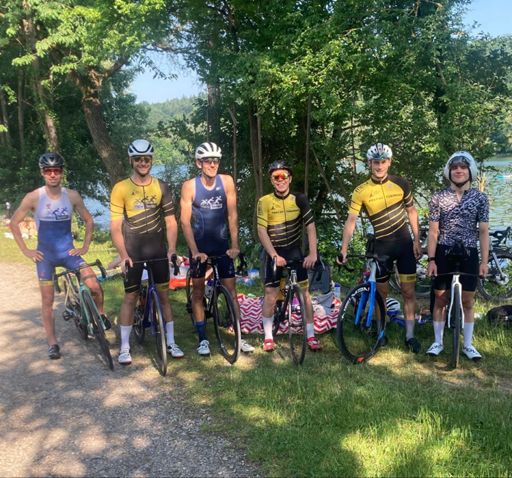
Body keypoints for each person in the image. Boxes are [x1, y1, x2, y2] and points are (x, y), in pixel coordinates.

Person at [9, 152, 109, 360]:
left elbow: (89, 220)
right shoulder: (34, 197)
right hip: (45, 257)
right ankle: (52, 343)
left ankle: (100, 315)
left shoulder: (72, 196)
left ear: (62, 172)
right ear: (42, 173)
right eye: (48, 171)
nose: (52, 174)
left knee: (93, 285)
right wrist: (26, 251)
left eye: (56, 170)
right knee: (48, 300)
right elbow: (14, 223)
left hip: (68, 253)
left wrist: (85, 246)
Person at [338, 143, 422, 353]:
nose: (379, 166)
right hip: (382, 246)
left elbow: (412, 212)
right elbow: (351, 221)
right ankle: (380, 331)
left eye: (383, 162)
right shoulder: (361, 191)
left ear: (389, 162)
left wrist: (417, 240)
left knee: (408, 291)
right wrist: (344, 248)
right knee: (381, 292)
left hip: (404, 245)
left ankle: (410, 336)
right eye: (376, 162)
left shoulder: (401, 184)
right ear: (369, 163)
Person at [110, 139, 183, 365]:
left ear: (151, 160)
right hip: (134, 250)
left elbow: (171, 221)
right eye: (138, 159)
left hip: (157, 249)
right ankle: (125, 347)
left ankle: (171, 342)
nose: (143, 163)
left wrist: (172, 249)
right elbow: (115, 227)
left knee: (164, 296)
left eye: (146, 159)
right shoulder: (121, 188)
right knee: (130, 297)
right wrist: (123, 255)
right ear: (131, 161)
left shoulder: (162, 186)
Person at [180, 141, 255, 356]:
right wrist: (195, 251)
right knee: (198, 292)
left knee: (231, 291)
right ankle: (202, 338)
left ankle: (239, 337)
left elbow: (232, 215)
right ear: (199, 163)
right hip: (200, 247)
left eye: (215, 161)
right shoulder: (189, 186)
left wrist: (235, 245)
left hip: (222, 246)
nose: (212, 165)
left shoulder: (227, 181)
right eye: (208, 161)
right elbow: (185, 222)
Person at [426, 151, 489, 360]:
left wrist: (484, 262)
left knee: (468, 301)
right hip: (444, 251)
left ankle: (468, 345)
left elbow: (483, 231)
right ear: (449, 171)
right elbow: (433, 232)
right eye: (454, 168)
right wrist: (431, 260)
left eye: (463, 167)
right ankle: (438, 342)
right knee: (440, 299)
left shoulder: (480, 198)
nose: (459, 171)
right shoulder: (438, 197)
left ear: (470, 171)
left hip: (469, 252)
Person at [257, 160, 322, 352]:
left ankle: (310, 335)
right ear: (271, 180)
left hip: (294, 251)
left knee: (305, 294)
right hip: (274, 251)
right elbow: (261, 230)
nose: (280, 180)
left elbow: (310, 227)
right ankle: (268, 337)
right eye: (275, 177)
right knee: (270, 294)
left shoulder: (299, 199)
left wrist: (313, 253)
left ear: (290, 178)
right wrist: (273, 255)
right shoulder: (264, 201)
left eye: (283, 176)